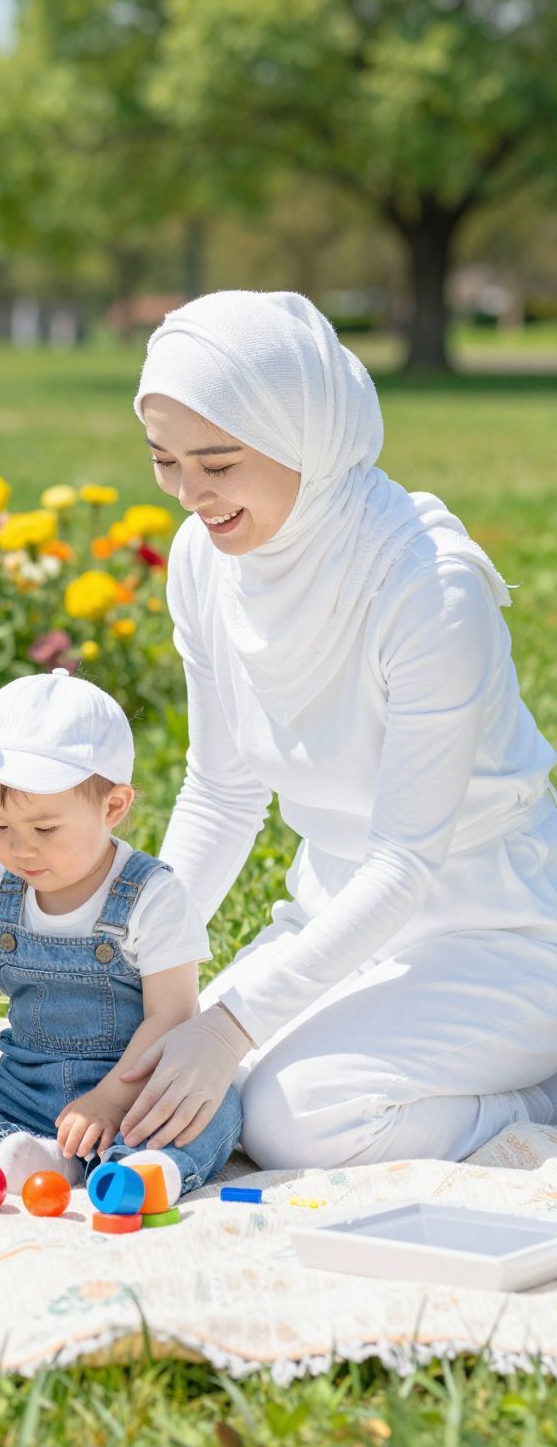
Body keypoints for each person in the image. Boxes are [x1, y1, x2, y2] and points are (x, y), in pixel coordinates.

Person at [115, 289, 557, 1171]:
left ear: (302, 434)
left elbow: (403, 862)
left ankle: (536, 1095)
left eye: (219, 461)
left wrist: (232, 1023)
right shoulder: (205, 560)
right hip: (337, 913)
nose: (190, 495)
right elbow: (221, 789)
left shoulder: (430, 586)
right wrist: (143, 966)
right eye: (165, 462)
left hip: (502, 932)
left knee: (294, 1118)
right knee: (159, 1076)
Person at [0, 669, 243, 1195]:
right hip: (26, 1086)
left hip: (133, 1087)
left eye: (44, 829)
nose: (20, 849)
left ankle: (140, 1168)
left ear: (112, 807)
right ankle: (25, 1153)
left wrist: (111, 1100)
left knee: (217, 1098)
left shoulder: (152, 897)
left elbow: (173, 1015)